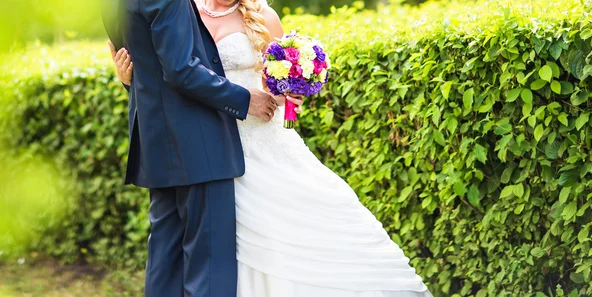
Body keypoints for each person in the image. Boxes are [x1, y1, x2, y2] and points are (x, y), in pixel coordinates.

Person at [110, 0, 434, 296]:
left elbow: (275, 86)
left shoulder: (263, 17)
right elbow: (172, 73)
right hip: (210, 144)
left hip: (261, 141)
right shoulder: (186, 10)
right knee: (211, 256)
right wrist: (130, 80)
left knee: (285, 236)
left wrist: (289, 94)